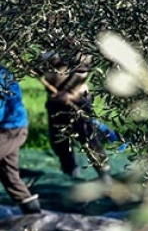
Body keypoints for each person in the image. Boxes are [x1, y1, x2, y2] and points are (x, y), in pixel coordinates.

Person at [39, 50, 111, 183]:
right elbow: (39, 65)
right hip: (55, 103)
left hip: (77, 99)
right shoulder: (45, 41)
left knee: (88, 138)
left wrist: (68, 92)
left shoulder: (75, 43)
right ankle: (71, 174)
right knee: (60, 141)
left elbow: (82, 71)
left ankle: (104, 175)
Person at [0, 66, 42, 215]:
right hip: (9, 128)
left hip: (12, 130)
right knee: (10, 177)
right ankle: (34, 215)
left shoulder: (1, 75)